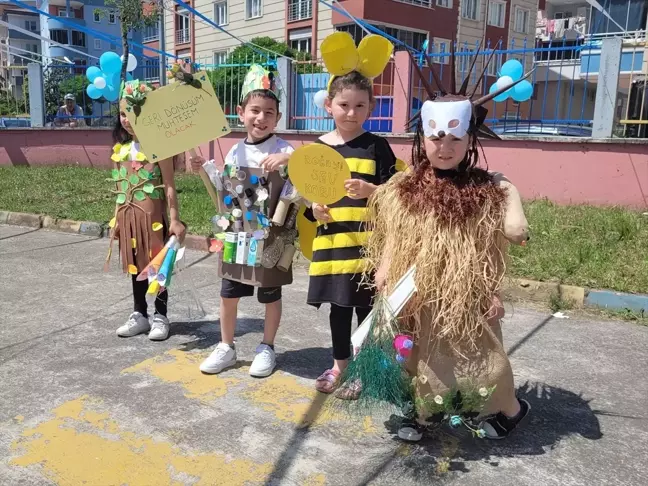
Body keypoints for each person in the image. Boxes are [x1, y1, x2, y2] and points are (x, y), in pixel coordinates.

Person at [342, 48, 532, 442]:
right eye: (435, 138)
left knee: (483, 358)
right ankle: (424, 413)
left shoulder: (486, 189)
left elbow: (511, 236)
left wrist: (506, 188)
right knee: (414, 354)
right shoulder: (403, 187)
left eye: (454, 138)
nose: (444, 148)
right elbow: (395, 232)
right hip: (416, 290)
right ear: (422, 138)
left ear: (470, 139)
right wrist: (385, 272)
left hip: (467, 292)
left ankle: (511, 409)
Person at [303, 32, 397, 397]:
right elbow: (308, 203)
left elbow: (396, 195)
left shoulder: (378, 146)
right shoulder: (318, 149)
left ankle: (363, 368)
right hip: (334, 245)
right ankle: (340, 364)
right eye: (344, 105)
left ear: (370, 108)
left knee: (366, 312)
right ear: (329, 106)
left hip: (369, 246)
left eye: (360, 106)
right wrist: (314, 209)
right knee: (339, 309)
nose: (351, 112)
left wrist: (372, 190)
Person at [196, 85, 294, 378]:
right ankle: (226, 346)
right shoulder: (235, 150)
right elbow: (224, 189)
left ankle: (267, 347)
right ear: (241, 114)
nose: (261, 118)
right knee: (228, 293)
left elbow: (305, 168)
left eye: (269, 113)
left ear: (277, 119)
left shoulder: (283, 148)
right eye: (254, 110)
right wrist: (203, 168)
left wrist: (288, 160)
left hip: (271, 237)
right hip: (238, 234)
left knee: (270, 294)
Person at [106, 80, 186, 341]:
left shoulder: (159, 149)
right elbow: (121, 187)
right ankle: (140, 314)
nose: (128, 120)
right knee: (134, 264)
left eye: (134, 113)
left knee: (157, 265)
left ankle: (161, 316)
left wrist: (174, 219)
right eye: (123, 114)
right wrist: (116, 217)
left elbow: (170, 187)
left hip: (154, 219)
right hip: (129, 218)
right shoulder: (122, 151)